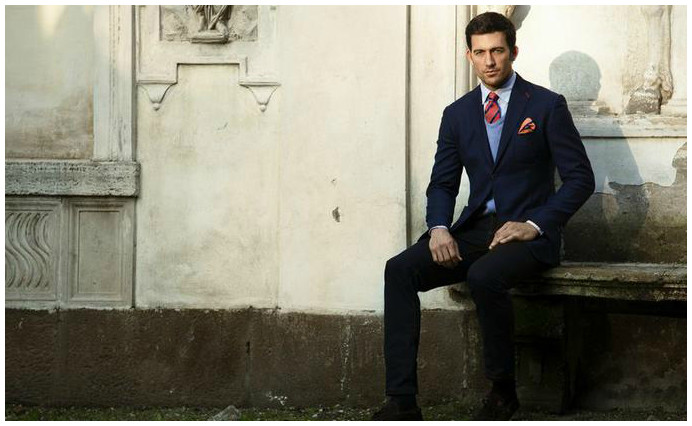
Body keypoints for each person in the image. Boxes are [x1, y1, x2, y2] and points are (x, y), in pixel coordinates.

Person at [372, 12, 595, 421]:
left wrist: (534, 225)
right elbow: (443, 184)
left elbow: (581, 179)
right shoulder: (457, 114)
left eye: (497, 51)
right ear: (469, 56)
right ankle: (401, 402)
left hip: (529, 235)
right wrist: (439, 228)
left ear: (513, 51)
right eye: (480, 53)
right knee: (398, 270)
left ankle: (503, 392)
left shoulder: (546, 105)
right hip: (476, 230)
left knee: (483, 275)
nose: (489, 61)